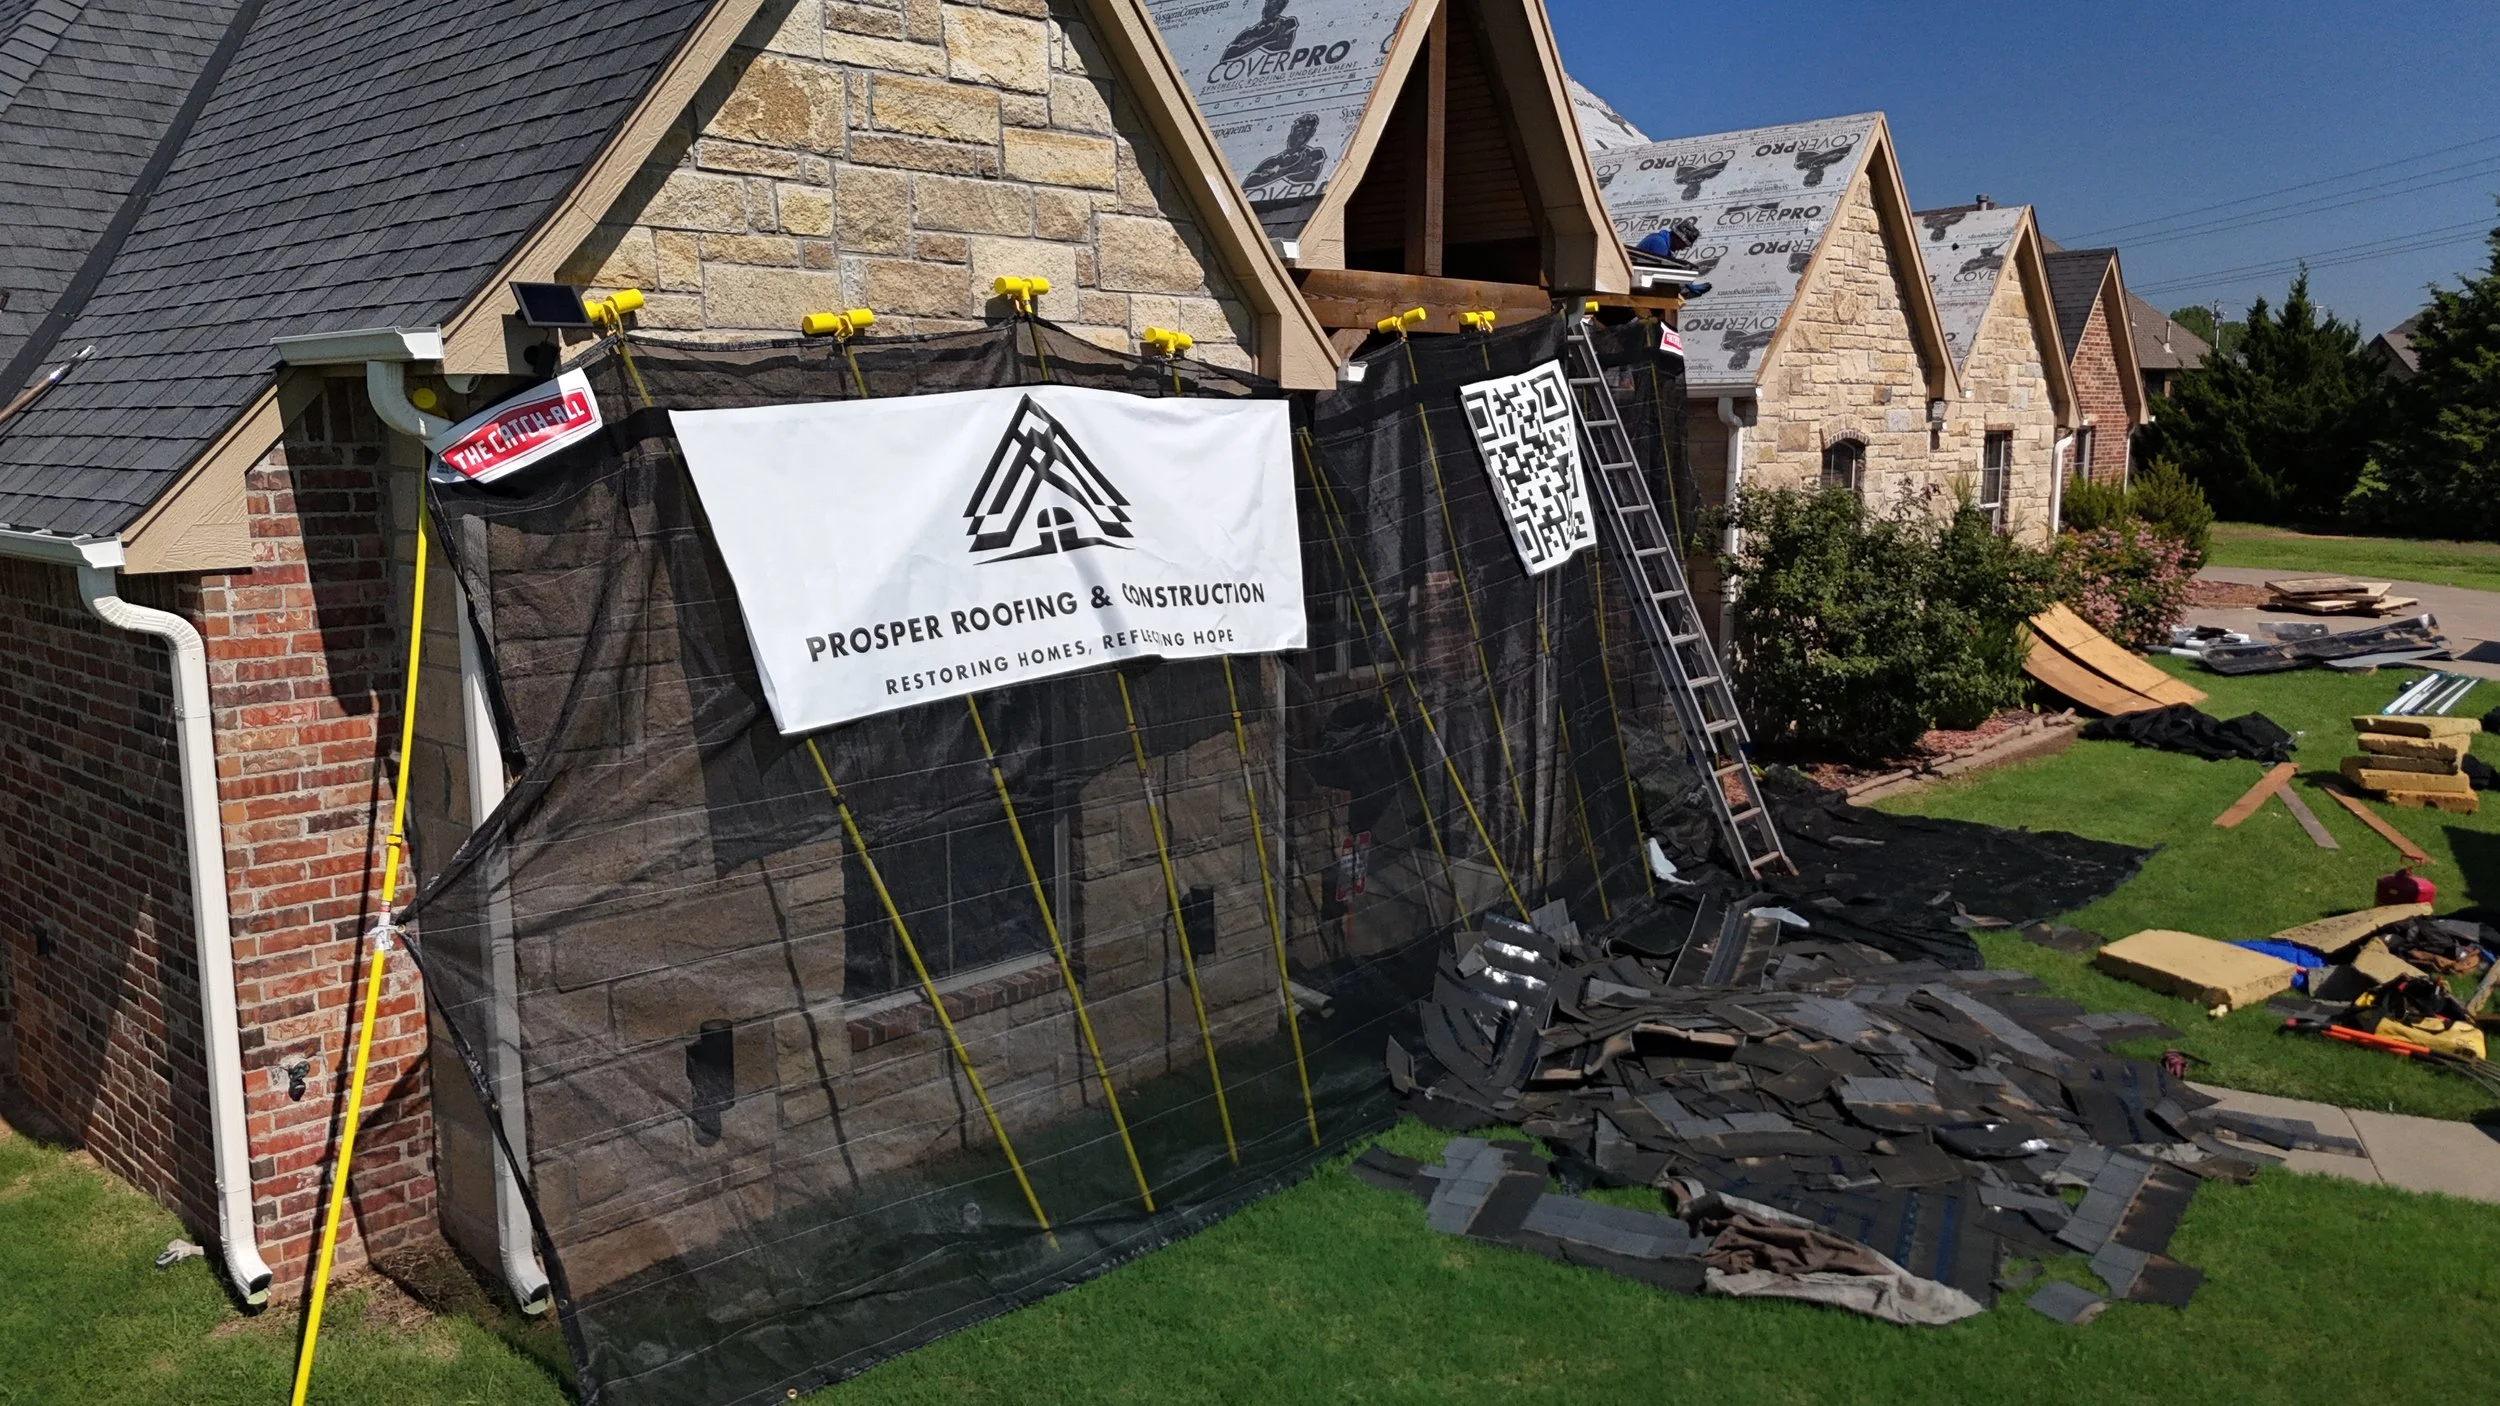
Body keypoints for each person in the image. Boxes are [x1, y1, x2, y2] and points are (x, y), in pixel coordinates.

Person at [1220, 0, 1299, 63]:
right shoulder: (1248, 32)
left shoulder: (1286, 23)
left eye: (1276, 3)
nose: (1269, 6)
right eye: (1268, 2)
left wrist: (1248, 46)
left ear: (1282, 7)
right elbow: (1227, 55)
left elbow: (1283, 46)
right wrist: (1266, 40)